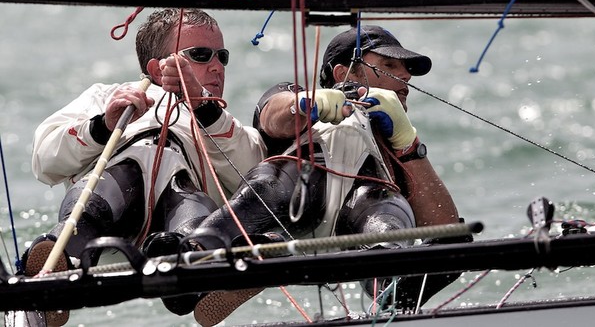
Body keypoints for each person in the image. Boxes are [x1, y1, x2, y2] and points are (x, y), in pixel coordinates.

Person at [179, 25, 469, 326]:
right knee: (268, 186)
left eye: (406, 69)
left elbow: (443, 228)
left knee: (397, 226)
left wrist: (409, 143)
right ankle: (199, 255)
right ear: (345, 73)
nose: (406, 76)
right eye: (390, 65)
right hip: (297, 192)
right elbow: (271, 117)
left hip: (360, 210)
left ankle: (389, 284)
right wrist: (309, 103)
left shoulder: (396, 143)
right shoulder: (294, 96)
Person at [24, 8, 266, 326]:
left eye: (222, 56)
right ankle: (58, 259)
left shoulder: (219, 120)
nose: (217, 66)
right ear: (156, 67)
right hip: (109, 204)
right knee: (108, 186)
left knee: (189, 202)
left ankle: (192, 278)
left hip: (181, 211)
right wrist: (102, 127)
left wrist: (204, 109)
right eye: (201, 54)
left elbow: (256, 173)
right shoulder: (106, 96)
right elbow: (44, 160)